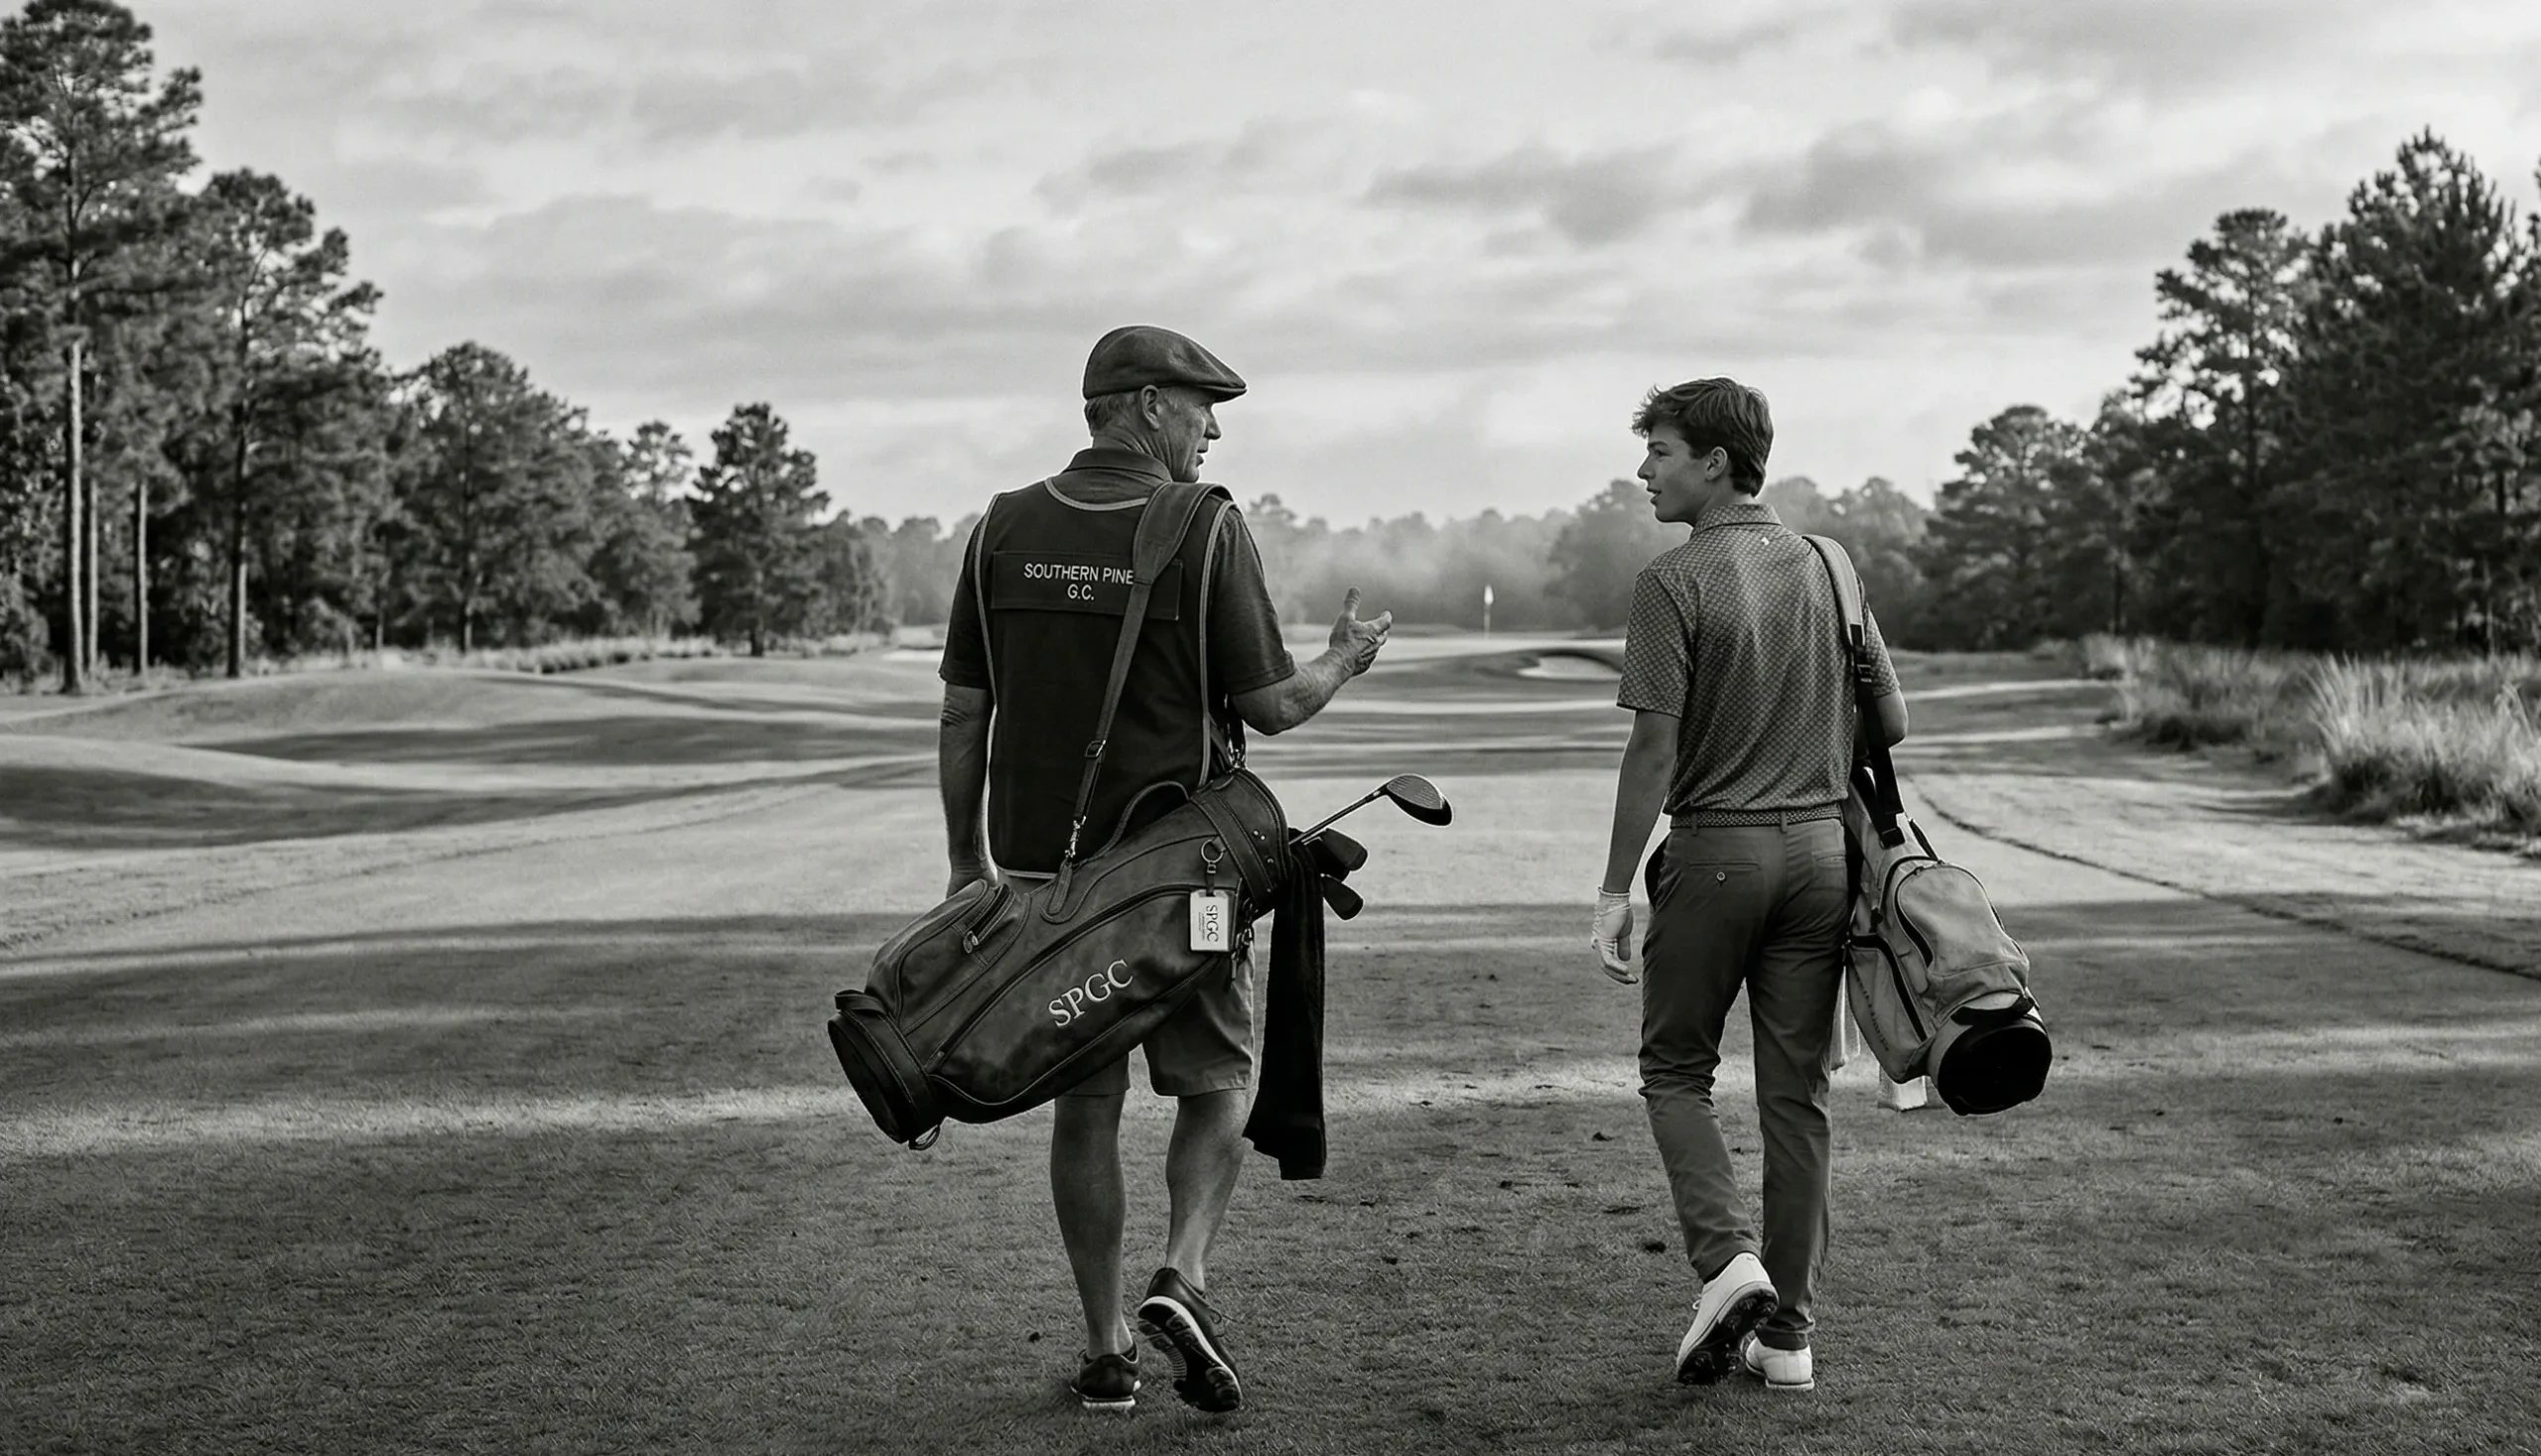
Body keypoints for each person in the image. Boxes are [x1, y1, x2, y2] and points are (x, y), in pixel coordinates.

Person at [935, 325, 1392, 1414]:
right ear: (1144, 405)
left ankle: (1104, 1350)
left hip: (1046, 886)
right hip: (1179, 879)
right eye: (1199, 407)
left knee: (1083, 1108)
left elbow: (964, 711)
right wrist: (1343, 658)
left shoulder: (1000, 526)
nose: (1212, 428)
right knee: (1218, 1085)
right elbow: (1271, 708)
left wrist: (967, 865)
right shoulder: (1204, 524)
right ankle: (1183, 1271)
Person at [1588, 377, 1908, 1394]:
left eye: (1662, 451)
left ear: (1716, 462)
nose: (1645, 470)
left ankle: (1727, 1264)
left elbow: (1650, 750)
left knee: (1675, 1071)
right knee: (1797, 1098)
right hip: (1821, 859)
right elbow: (1890, 726)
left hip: (1715, 857)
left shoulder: (1670, 582)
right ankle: (1790, 1340)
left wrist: (1610, 893)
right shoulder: (1835, 565)